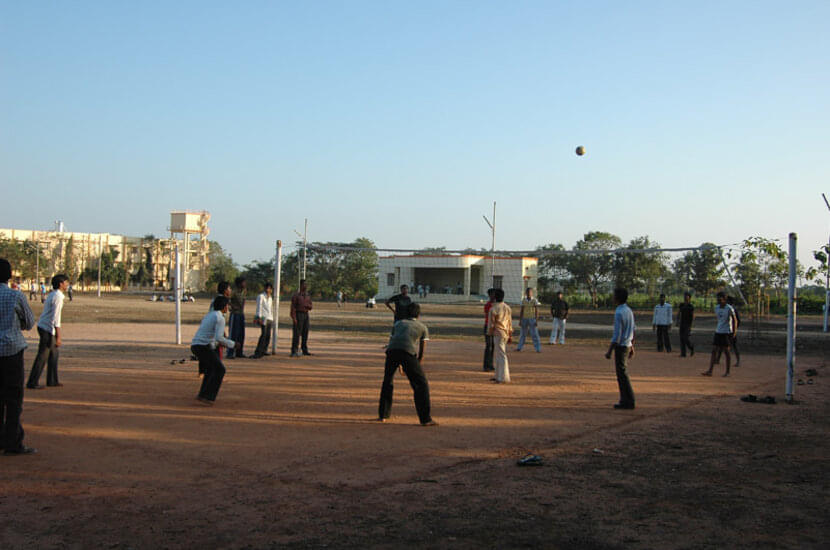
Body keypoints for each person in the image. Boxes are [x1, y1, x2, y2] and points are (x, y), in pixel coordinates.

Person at [377, 303, 436, 426]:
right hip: (407, 353)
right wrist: (418, 363)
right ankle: (425, 419)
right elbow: (422, 349)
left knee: (388, 381)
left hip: (391, 352)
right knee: (421, 384)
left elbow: (394, 341)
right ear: (418, 314)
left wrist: (400, 365)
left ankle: (383, 415)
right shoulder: (422, 327)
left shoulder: (398, 324)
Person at [0, 258, 37, 455]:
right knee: (13, 399)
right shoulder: (15, 295)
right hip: (12, 351)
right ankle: (12, 442)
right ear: (9, 275)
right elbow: (29, 322)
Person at [191, 296, 240, 405]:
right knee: (220, 369)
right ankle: (209, 396)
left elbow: (213, 336)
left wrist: (221, 343)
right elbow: (219, 337)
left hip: (196, 345)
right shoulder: (220, 317)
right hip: (203, 346)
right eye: (227, 305)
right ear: (224, 307)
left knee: (210, 369)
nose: (228, 307)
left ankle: (203, 394)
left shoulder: (210, 315)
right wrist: (233, 344)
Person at [27, 274, 69, 389]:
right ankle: (32, 382)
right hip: (47, 328)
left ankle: (52, 380)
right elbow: (56, 318)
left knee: (54, 353)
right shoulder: (58, 297)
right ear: (61, 284)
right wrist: (58, 336)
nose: (67, 284)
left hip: (45, 326)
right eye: (66, 282)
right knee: (43, 355)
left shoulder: (53, 294)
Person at [605, 288, 636, 409]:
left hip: (621, 346)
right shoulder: (628, 310)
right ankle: (626, 399)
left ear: (617, 298)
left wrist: (609, 351)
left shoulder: (619, 312)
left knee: (622, 374)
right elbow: (633, 330)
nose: (613, 297)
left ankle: (628, 400)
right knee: (623, 373)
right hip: (627, 344)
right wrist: (632, 345)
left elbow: (617, 335)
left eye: (614, 295)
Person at [703, 292, 737, 377]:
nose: (718, 300)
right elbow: (720, 319)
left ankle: (727, 372)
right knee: (714, 350)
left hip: (726, 332)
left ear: (725, 299)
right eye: (717, 298)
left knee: (726, 352)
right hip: (718, 331)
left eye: (720, 299)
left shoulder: (729, 308)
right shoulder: (717, 308)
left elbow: (735, 320)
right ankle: (710, 371)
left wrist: (734, 332)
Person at [487, 288, 513, 383]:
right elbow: (510, 322)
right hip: (505, 333)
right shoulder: (507, 307)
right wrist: (510, 334)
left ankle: (503, 377)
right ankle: (498, 375)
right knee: (499, 354)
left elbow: (491, 324)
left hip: (498, 332)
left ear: (495, 297)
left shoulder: (493, 309)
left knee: (501, 355)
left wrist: (489, 333)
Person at [290, 279, 313, 357]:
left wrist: (306, 305)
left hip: (306, 314)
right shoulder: (296, 295)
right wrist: (294, 317)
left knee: (305, 333)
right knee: (297, 334)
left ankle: (304, 350)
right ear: (300, 285)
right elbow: (293, 307)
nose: (305, 286)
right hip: (298, 314)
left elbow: (311, 306)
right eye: (304, 285)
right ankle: (294, 350)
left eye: (306, 285)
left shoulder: (308, 295)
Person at [251, 283, 274, 359]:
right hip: (263, 317)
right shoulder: (261, 296)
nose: (268, 290)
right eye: (267, 288)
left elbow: (270, 308)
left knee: (268, 335)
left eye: (270, 288)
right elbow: (259, 307)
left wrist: (272, 318)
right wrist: (259, 317)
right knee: (263, 334)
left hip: (269, 317)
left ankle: (264, 350)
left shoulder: (270, 298)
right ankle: (258, 352)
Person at [226, 277, 247, 359]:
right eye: (243, 282)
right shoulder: (233, 292)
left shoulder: (244, 291)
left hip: (241, 314)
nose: (245, 284)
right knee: (233, 334)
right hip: (235, 314)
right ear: (239, 283)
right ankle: (230, 352)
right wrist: (232, 307)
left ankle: (239, 352)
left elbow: (244, 300)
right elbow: (227, 300)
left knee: (241, 334)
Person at [516, 287, 541, 352]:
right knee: (522, 334)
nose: (528, 293)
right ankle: (519, 347)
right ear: (526, 293)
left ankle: (538, 348)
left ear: (532, 293)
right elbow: (521, 310)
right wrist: (520, 320)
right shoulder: (523, 300)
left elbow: (536, 311)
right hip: (524, 318)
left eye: (530, 292)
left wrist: (536, 320)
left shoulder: (535, 300)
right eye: (527, 292)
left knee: (534, 334)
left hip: (532, 318)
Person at [677, 292, 695, 357]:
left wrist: (691, 325)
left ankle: (691, 347)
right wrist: (677, 321)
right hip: (682, 323)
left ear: (689, 298)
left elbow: (693, 316)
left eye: (686, 296)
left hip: (688, 324)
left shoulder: (691, 306)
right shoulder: (681, 305)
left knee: (686, 338)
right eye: (684, 296)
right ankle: (683, 353)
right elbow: (679, 313)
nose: (685, 297)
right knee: (681, 338)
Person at [482, 288, 495, 372]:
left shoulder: (496, 305)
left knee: (493, 346)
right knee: (488, 345)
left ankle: (490, 364)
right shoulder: (488, 305)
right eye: (492, 294)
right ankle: (486, 365)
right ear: (489, 295)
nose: (494, 296)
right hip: (488, 326)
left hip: (494, 327)